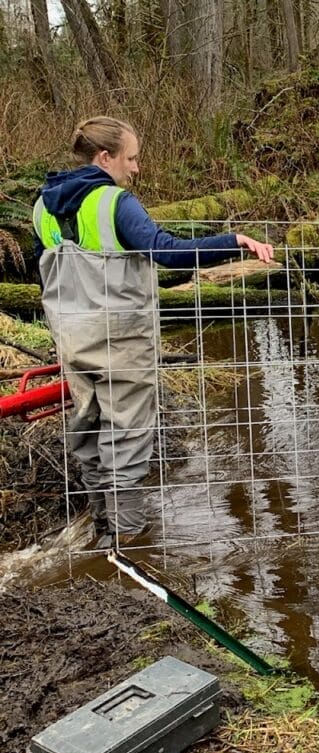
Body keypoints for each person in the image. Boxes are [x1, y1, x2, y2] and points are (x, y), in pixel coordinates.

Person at [31, 116, 274, 547]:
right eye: (132, 158)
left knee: (89, 427)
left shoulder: (41, 206)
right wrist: (233, 240)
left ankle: (101, 526)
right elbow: (167, 252)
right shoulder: (113, 202)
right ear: (105, 158)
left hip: (71, 337)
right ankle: (126, 542)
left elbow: (44, 274)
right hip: (121, 339)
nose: (136, 168)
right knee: (127, 436)